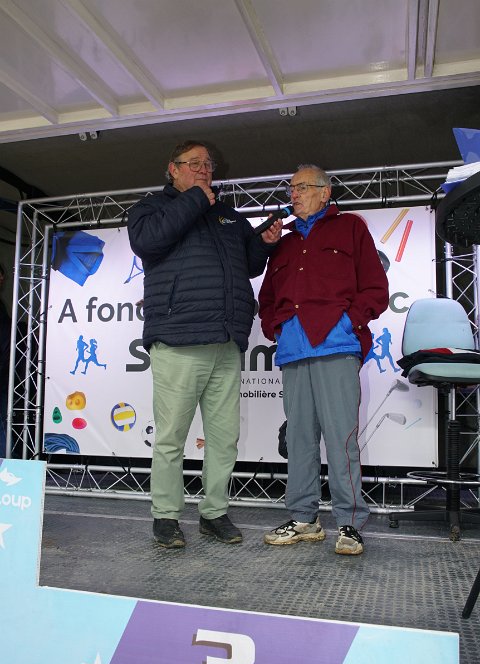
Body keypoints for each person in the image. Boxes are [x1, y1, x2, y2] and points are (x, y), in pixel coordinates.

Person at [128, 140, 282, 549]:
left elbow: (249, 264)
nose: (203, 169)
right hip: (179, 338)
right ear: (172, 168)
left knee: (224, 437)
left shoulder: (226, 214)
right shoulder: (150, 209)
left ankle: (214, 512)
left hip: (225, 340)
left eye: (208, 164)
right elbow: (149, 242)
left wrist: (264, 242)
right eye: (194, 163)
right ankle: (166, 516)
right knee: (171, 437)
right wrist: (196, 198)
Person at [259, 164, 389, 555]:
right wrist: (276, 328)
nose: (294, 194)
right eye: (291, 188)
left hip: (336, 345)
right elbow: (268, 298)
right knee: (298, 437)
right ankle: (304, 518)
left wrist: (349, 322)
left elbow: (375, 288)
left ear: (325, 192)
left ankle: (350, 524)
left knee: (340, 437)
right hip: (293, 349)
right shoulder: (283, 242)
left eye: (302, 187)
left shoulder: (350, 227)